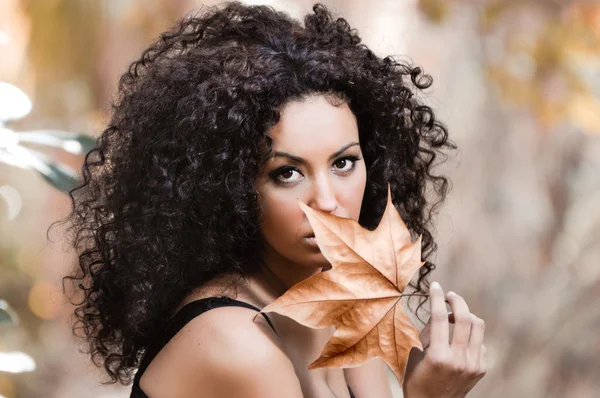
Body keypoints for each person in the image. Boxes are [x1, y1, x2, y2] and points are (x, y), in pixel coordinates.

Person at [55, 2, 487, 397]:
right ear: (233, 189)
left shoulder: (348, 303)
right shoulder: (238, 345)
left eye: (344, 163)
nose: (328, 202)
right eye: (287, 173)